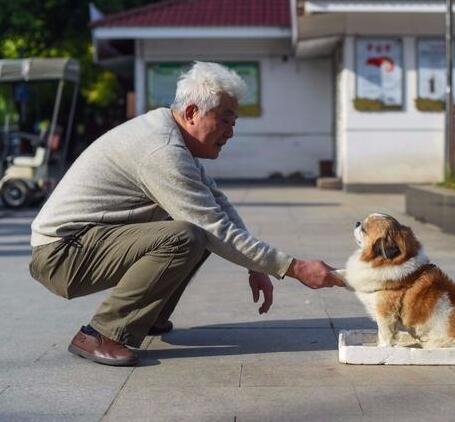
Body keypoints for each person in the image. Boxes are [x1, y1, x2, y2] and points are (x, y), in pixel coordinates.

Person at [28, 62, 344, 367]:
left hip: (85, 243)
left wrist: (256, 266)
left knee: (195, 225)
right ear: (192, 112)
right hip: (62, 255)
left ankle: (146, 317)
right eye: (224, 119)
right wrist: (295, 267)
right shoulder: (162, 150)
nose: (230, 131)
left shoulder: (169, 133)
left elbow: (217, 204)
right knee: (188, 234)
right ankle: (101, 333)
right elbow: (214, 227)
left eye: (234, 122)